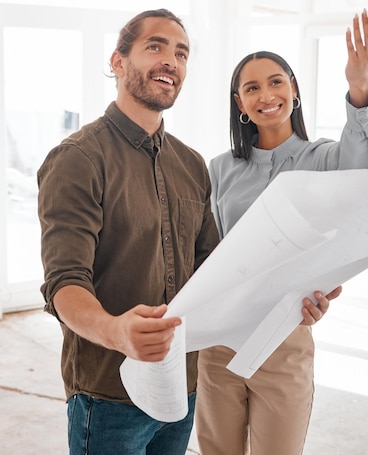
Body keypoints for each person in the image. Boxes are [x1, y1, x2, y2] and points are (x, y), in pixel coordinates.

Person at [37, 8, 336, 454]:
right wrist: (117, 331)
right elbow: (64, 281)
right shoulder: (79, 158)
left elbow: (216, 272)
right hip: (108, 393)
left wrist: (294, 302)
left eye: (181, 52)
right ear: (118, 62)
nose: (171, 61)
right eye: (154, 46)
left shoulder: (191, 164)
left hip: (182, 383)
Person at [195, 10, 368, 455]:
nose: (266, 94)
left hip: (284, 337)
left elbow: (361, 160)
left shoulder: (322, 159)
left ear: (294, 90)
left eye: (276, 81)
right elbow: (208, 251)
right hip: (219, 341)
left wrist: (359, 83)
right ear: (240, 103)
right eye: (252, 87)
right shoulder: (220, 169)